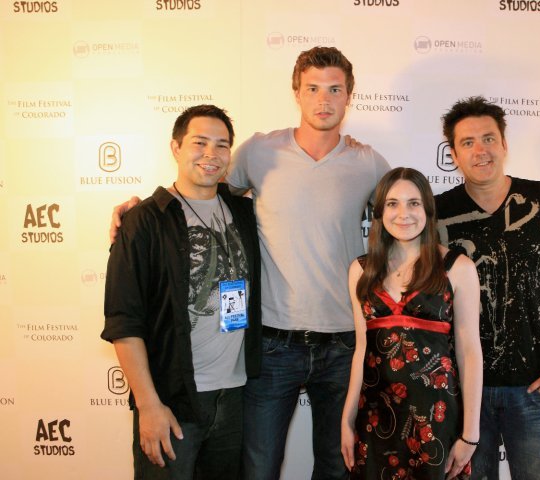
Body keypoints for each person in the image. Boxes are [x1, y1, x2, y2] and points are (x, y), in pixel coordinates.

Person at [110, 47, 389, 480]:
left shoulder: (367, 161)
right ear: (296, 92)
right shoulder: (260, 151)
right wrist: (143, 209)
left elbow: (407, 218)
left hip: (343, 345)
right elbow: (204, 186)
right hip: (271, 345)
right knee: (257, 469)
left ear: (349, 96)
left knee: (338, 467)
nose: (323, 99)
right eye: (313, 88)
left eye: (335, 89)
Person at [434, 96, 540, 479]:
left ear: (505, 144)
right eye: (468, 142)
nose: (481, 150)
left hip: (534, 387)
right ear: (454, 154)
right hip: (463, 391)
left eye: (489, 139)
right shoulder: (436, 214)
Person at [102, 105, 262, 479]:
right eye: (199, 143)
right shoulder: (144, 221)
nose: (211, 155)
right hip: (173, 399)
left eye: (222, 146)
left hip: (235, 394)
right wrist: (148, 406)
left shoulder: (243, 212)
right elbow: (124, 321)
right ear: (175, 148)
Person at [340, 167, 483, 480]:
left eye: (413, 203)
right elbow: (362, 349)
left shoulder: (457, 268)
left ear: (428, 210)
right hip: (375, 420)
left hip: (437, 422)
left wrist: (470, 434)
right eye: (392, 204)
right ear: (379, 212)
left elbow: (470, 351)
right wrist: (347, 420)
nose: (403, 213)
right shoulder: (360, 271)